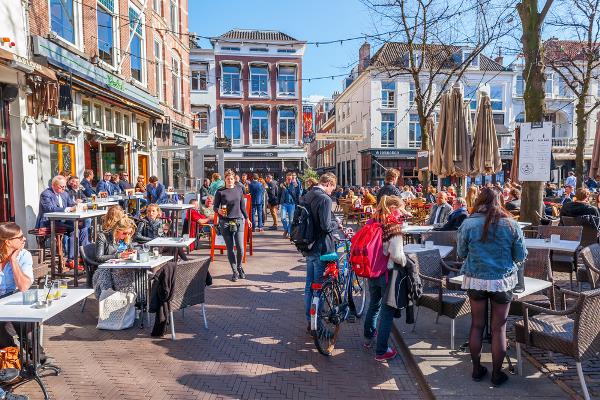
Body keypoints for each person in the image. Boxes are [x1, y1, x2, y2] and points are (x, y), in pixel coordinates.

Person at [457, 188, 527, 386]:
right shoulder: (511, 224)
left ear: (479, 201)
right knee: (499, 329)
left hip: (476, 279)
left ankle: (477, 370)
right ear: (500, 201)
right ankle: (497, 374)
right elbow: (520, 256)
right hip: (501, 281)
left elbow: (461, 252)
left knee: (476, 325)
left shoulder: (468, 223)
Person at [0, 222, 51, 388]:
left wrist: (13, 261)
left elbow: (23, 287)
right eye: (19, 237)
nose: (24, 240)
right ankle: (11, 366)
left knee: (26, 327)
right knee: (2, 330)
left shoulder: (24, 256)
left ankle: (38, 359)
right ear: (7, 241)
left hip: (16, 297)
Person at [363, 195, 407, 361]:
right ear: (394, 208)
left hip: (371, 270)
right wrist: (405, 259)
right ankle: (382, 350)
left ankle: (368, 338)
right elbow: (396, 255)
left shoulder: (372, 221)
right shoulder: (392, 225)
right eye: (400, 209)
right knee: (387, 311)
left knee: (373, 305)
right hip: (386, 273)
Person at [302, 173, 339, 333]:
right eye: (333, 188)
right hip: (321, 248)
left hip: (308, 246)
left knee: (309, 287)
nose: (332, 192)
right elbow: (325, 226)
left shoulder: (307, 195)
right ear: (329, 183)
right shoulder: (324, 199)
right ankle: (319, 327)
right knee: (320, 289)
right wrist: (336, 223)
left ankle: (310, 322)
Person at [35, 175, 89, 265]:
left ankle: (84, 256)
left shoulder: (64, 193)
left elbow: (71, 204)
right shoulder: (46, 194)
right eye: (61, 187)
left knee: (83, 228)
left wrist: (79, 206)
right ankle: (72, 259)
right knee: (74, 229)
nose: (64, 188)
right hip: (49, 222)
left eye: (64, 186)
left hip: (64, 221)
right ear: (53, 185)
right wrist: (68, 209)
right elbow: (49, 208)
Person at [214, 170, 251, 281]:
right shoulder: (220, 192)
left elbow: (242, 206)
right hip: (225, 221)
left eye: (231, 178)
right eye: (227, 179)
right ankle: (234, 271)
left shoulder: (239, 189)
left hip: (238, 220)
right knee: (230, 248)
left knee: (240, 248)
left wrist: (247, 218)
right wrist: (219, 211)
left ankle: (239, 266)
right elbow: (215, 207)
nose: (230, 180)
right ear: (225, 179)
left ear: (234, 179)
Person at [92, 217, 139, 299]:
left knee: (142, 276)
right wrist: (119, 255)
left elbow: (132, 250)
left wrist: (133, 253)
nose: (127, 235)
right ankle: (123, 302)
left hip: (125, 266)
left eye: (129, 233)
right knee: (131, 279)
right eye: (124, 233)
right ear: (117, 230)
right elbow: (99, 257)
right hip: (108, 269)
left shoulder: (126, 238)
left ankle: (136, 302)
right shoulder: (102, 237)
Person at [279, 172, 300, 239]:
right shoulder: (282, 185)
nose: (289, 180)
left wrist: (297, 182)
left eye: (291, 179)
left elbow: (299, 193)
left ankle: (289, 232)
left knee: (291, 220)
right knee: (283, 218)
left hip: (292, 204)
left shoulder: (295, 185)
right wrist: (277, 203)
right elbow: (279, 194)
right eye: (288, 179)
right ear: (286, 178)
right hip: (284, 204)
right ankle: (286, 229)